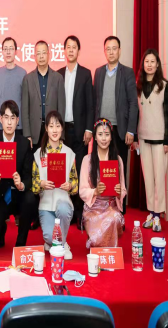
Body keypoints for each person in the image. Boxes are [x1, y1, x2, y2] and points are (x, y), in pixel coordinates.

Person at [93, 36, 138, 214]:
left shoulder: (127, 72)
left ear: (119, 51)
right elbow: (96, 101)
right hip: (102, 129)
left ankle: (120, 211)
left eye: (114, 48)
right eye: (108, 49)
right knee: (100, 169)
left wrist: (131, 130)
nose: (111, 52)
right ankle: (102, 208)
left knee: (118, 170)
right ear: (104, 51)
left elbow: (133, 103)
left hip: (119, 130)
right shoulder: (98, 72)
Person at [0, 100, 35, 248]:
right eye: (6, 117)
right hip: (0, 194)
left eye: (13, 118)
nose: (9, 122)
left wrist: (22, 184)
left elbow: (29, 177)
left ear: (17, 120)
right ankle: (1, 229)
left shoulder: (24, 144)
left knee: (30, 199)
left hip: (18, 195)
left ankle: (20, 242)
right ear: (0, 119)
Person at [133, 49, 168, 232]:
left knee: (159, 179)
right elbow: (135, 114)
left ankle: (158, 215)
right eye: (146, 61)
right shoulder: (138, 86)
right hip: (143, 138)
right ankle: (151, 212)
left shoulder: (164, 85)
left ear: (157, 65)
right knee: (148, 178)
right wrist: (134, 137)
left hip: (160, 139)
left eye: (152, 61)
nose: (149, 65)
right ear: (143, 65)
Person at [57, 35, 94, 229]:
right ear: (64, 51)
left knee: (79, 171)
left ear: (78, 51)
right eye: (68, 47)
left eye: (74, 47)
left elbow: (90, 105)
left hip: (80, 132)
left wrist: (89, 129)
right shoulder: (58, 74)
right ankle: (67, 210)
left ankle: (79, 213)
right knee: (64, 172)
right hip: (62, 132)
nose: (71, 50)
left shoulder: (86, 74)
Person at [32, 110, 78, 259]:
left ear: (62, 128)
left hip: (63, 202)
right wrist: (41, 184)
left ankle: (61, 245)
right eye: (51, 126)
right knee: (48, 236)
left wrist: (70, 186)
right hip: (45, 205)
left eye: (58, 126)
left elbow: (75, 183)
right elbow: (33, 185)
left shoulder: (69, 153)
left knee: (63, 209)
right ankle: (56, 243)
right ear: (46, 128)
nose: (55, 130)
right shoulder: (39, 154)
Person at [80, 118, 127, 248]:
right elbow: (82, 190)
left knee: (114, 218)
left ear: (111, 137)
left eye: (107, 134)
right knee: (96, 240)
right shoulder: (87, 160)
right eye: (100, 134)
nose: (104, 138)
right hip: (93, 208)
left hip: (111, 207)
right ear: (95, 137)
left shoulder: (117, 160)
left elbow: (123, 189)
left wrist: (119, 192)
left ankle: (107, 250)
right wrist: (95, 191)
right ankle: (97, 242)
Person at [22, 40, 66, 152]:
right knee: (34, 162)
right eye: (38, 53)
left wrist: (61, 134)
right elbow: (25, 109)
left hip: (53, 131)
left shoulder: (58, 78)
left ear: (48, 54)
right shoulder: (27, 79)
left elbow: (61, 108)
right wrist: (27, 135)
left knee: (52, 161)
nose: (41, 56)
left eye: (44, 53)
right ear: (34, 56)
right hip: (34, 132)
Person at [0, 37, 26, 137]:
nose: (8, 52)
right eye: (5, 49)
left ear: (15, 51)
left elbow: (25, 102)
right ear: (2, 52)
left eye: (11, 49)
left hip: (18, 125)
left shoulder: (23, 73)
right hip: (1, 125)